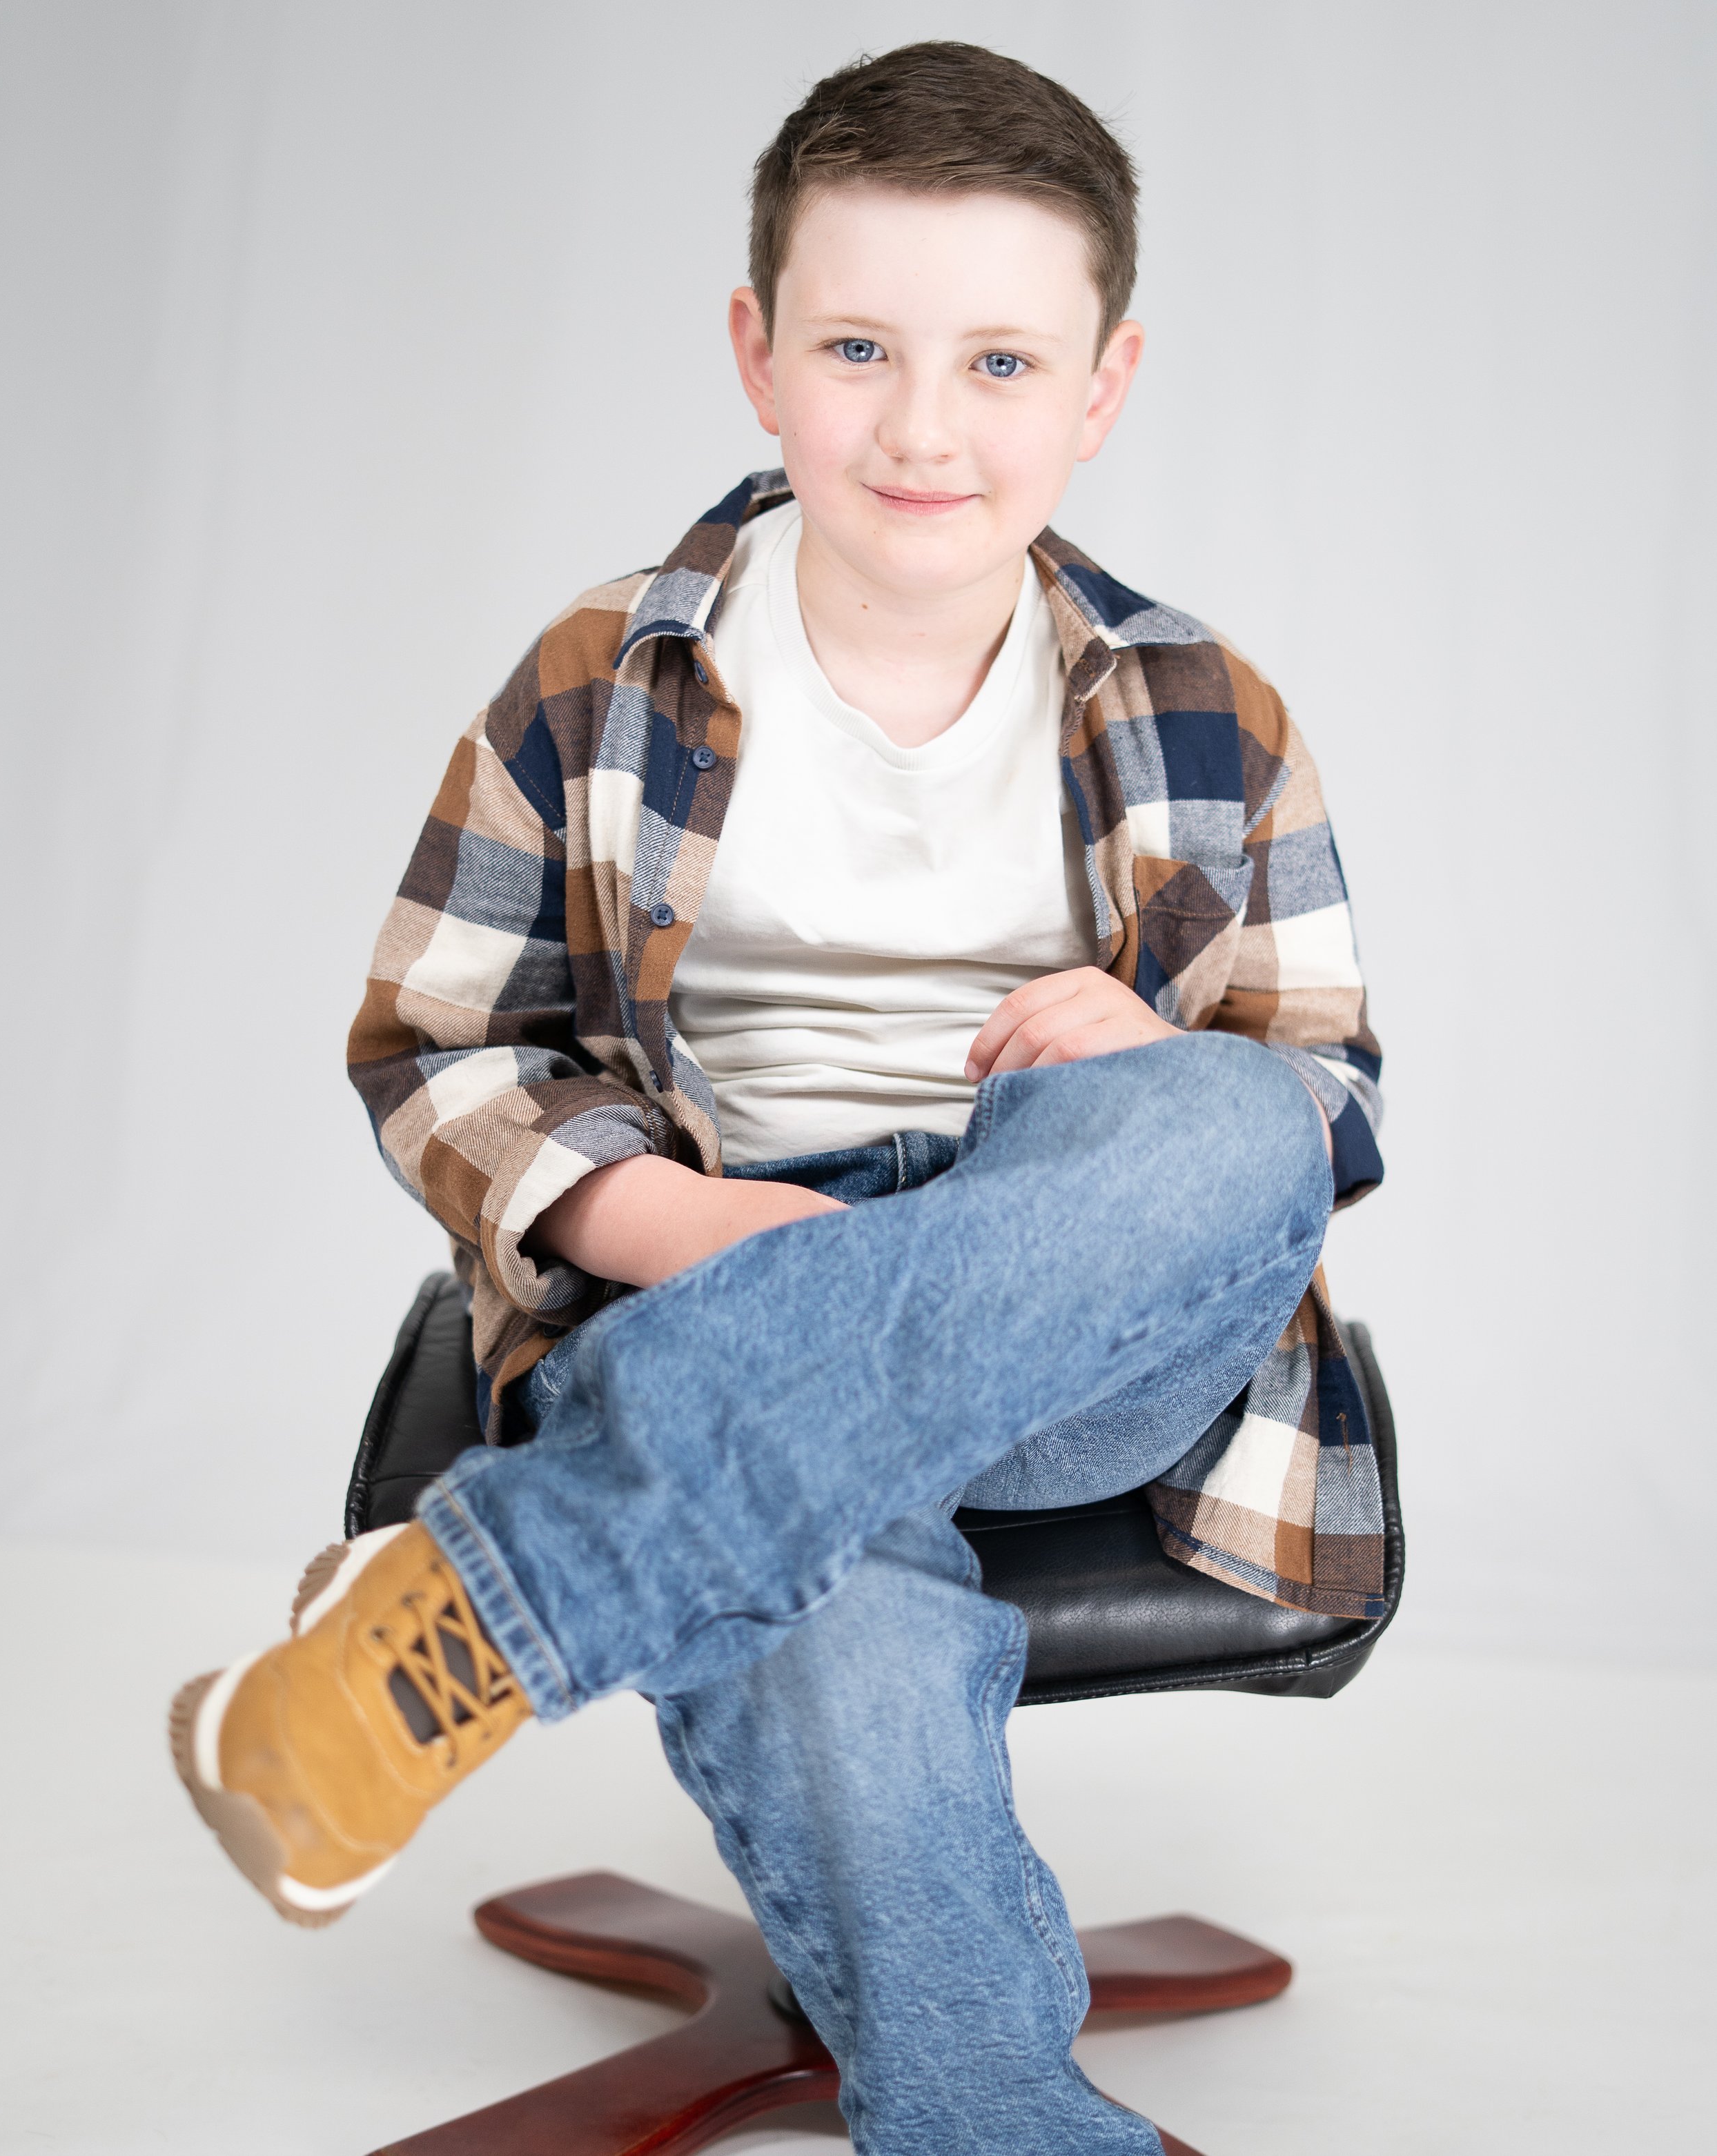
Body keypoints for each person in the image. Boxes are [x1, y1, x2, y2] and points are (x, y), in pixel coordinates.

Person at [168, 41, 1384, 2156]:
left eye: (1002, 362)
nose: (925, 424)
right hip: (721, 1262)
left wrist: (1165, 1061)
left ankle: (479, 1611)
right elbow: (432, 1040)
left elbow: (1326, 1099)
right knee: (829, 1611)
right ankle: (994, 2114)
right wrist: (685, 1230)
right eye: (858, 346)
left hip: (1068, 1328)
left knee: (1226, 1127)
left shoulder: (1204, 706)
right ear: (756, 354)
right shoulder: (596, 679)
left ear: (1099, 388)